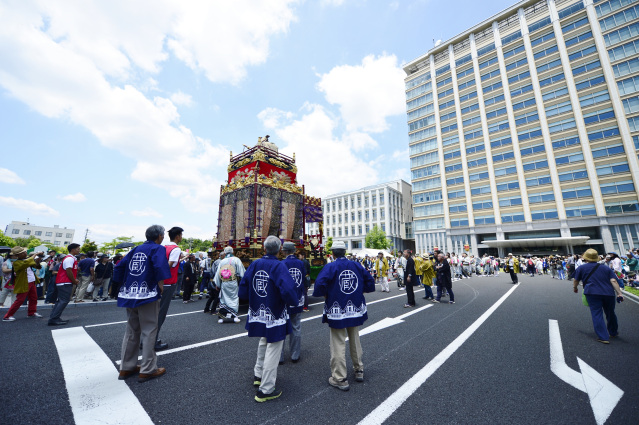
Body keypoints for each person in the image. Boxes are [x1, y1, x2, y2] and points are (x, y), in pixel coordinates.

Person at [238, 236, 298, 402]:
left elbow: (244, 287)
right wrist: (294, 302)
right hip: (274, 312)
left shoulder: (255, 264)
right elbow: (288, 290)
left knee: (264, 341)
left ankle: (258, 374)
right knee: (274, 346)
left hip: (258, 309)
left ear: (264, 248)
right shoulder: (279, 265)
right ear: (279, 250)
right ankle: (266, 389)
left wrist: (247, 297)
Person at [313, 240, 375, 391]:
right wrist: (361, 291)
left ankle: (340, 377)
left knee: (338, 342)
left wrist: (326, 294)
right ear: (345, 252)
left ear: (333, 253)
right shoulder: (356, 265)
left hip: (336, 308)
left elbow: (319, 285)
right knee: (355, 338)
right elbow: (370, 281)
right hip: (355, 306)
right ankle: (359, 369)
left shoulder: (331, 266)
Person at [114, 224, 171, 383]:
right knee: (149, 329)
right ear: (159, 236)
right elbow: (160, 266)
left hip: (130, 292)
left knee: (132, 330)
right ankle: (148, 369)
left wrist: (123, 284)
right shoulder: (157, 249)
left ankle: (127, 366)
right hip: (148, 292)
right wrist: (160, 284)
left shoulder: (135, 249)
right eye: (163, 235)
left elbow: (119, 267)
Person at [573, 249, 624, 344]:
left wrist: (575, 288)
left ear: (586, 258)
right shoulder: (606, 268)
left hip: (592, 293)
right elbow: (613, 281)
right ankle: (613, 332)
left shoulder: (581, 268)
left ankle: (603, 337)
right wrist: (619, 293)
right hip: (608, 293)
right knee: (610, 312)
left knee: (597, 313)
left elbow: (576, 280)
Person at [156, 226, 183, 351]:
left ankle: (146, 339)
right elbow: (169, 265)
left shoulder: (164, 247)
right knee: (160, 313)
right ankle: (153, 340)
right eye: (181, 235)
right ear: (177, 236)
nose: (181, 238)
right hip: (167, 283)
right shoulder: (176, 249)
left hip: (159, 283)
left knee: (153, 312)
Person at [279, 242, 306, 364]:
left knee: (281, 326)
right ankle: (295, 355)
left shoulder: (282, 264)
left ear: (284, 251)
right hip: (298, 298)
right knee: (296, 326)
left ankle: (279, 357)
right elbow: (304, 281)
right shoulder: (301, 263)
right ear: (294, 251)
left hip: (284, 300)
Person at [3, 247, 44, 321]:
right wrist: (35, 255)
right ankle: (7, 316)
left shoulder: (26, 260)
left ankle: (31, 313)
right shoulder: (16, 262)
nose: (26, 253)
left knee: (33, 298)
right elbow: (26, 263)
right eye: (24, 252)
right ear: (19, 255)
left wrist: (38, 260)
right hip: (23, 283)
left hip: (32, 281)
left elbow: (38, 267)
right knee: (20, 300)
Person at [48, 244, 81, 326]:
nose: (79, 250)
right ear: (72, 250)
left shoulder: (70, 258)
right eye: (78, 249)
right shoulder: (69, 258)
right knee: (64, 301)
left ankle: (54, 317)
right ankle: (54, 319)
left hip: (63, 282)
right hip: (65, 282)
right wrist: (73, 280)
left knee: (61, 301)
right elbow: (68, 271)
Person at [213, 246, 246, 323]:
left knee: (223, 299)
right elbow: (242, 272)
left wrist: (217, 285)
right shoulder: (236, 260)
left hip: (224, 283)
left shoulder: (222, 261)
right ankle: (234, 317)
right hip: (233, 282)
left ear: (224, 252)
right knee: (234, 298)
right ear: (233, 252)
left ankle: (221, 317)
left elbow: (218, 274)